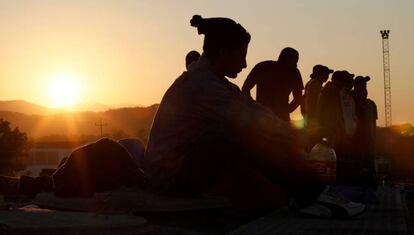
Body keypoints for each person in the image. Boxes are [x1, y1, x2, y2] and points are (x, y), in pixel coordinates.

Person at [144, 15, 365, 216]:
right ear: (222, 52)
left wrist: (296, 133)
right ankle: (309, 196)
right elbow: (248, 122)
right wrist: (298, 135)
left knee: (264, 133)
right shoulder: (201, 86)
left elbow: (256, 110)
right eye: (241, 55)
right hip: (168, 176)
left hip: (187, 166)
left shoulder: (217, 84)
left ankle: (308, 192)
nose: (244, 63)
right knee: (243, 134)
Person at [241, 47, 303, 121]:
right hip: (280, 118)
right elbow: (298, 98)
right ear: (290, 59)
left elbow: (245, 88)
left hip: (261, 116)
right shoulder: (293, 72)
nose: (296, 64)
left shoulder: (261, 66)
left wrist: (253, 106)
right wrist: (286, 111)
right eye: (295, 61)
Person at [302, 64, 333, 129]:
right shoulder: (315, 84)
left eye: (328, 74)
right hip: (314, 117)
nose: (327, 76)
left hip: (313, 117)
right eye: (325, 74)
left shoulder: (315, 83)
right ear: (319, 74)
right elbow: (319, 101)